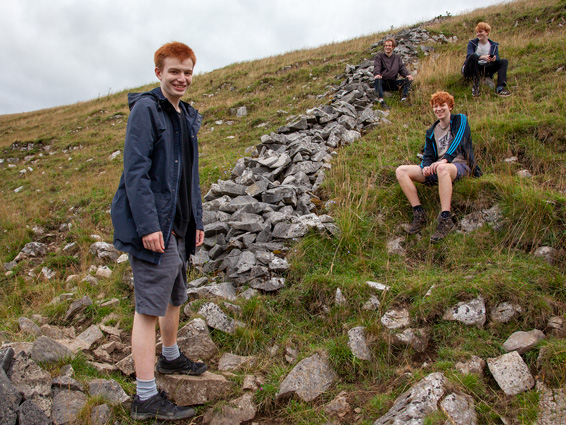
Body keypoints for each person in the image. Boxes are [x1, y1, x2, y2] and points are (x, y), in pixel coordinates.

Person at [111, 41, 207, 421]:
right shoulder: (146, 110)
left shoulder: (186, 115)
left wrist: (197, 220)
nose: (181, 78)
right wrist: (149, 226)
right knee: (149, 308)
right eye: (174, 71)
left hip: (179, 225)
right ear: (158, 73)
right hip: (156, 226)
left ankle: (170, 356)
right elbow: (135, 173)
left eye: (187, 72)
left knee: (175, 296)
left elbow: (190, 176)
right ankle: (146, 397)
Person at [395, 91, 482, 243]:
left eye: (442, 105)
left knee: (442, 168)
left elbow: (458, 141)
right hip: (439, 168)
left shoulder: (460, 120)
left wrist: (444, 161)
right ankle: (419, 213)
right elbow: (428, 155)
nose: (438, 109)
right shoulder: (432, 131)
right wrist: (426, 167)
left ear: (450, 107)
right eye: (435, 106)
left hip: (460, 165)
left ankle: (445, 218)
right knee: (401, 171)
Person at [462, 22, 511, 97]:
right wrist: (482, 57)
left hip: (484, 68)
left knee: (504, 62)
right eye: (477, 32)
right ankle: (476, 86)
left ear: (487, 32)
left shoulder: (493, 45)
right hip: (470, 69)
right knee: (473, 56)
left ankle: (500, 88)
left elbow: (497, 58)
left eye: (480, 32)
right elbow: (469, 56)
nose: (478, 34)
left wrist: (494, 59)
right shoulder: (472, 43)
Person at [373, 37, 414, 109]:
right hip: (383, 82)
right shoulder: (379, 57)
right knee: (377, 80)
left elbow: (401, 68)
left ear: (393, 47)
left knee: (408, 80)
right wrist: (377, 74)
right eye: (386, 46)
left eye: (389, 46)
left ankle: (404, 100)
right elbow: (377, 66)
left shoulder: (397, 58)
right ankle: (381, 101)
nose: (387, 47)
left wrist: (407, 75)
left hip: (393, 82)